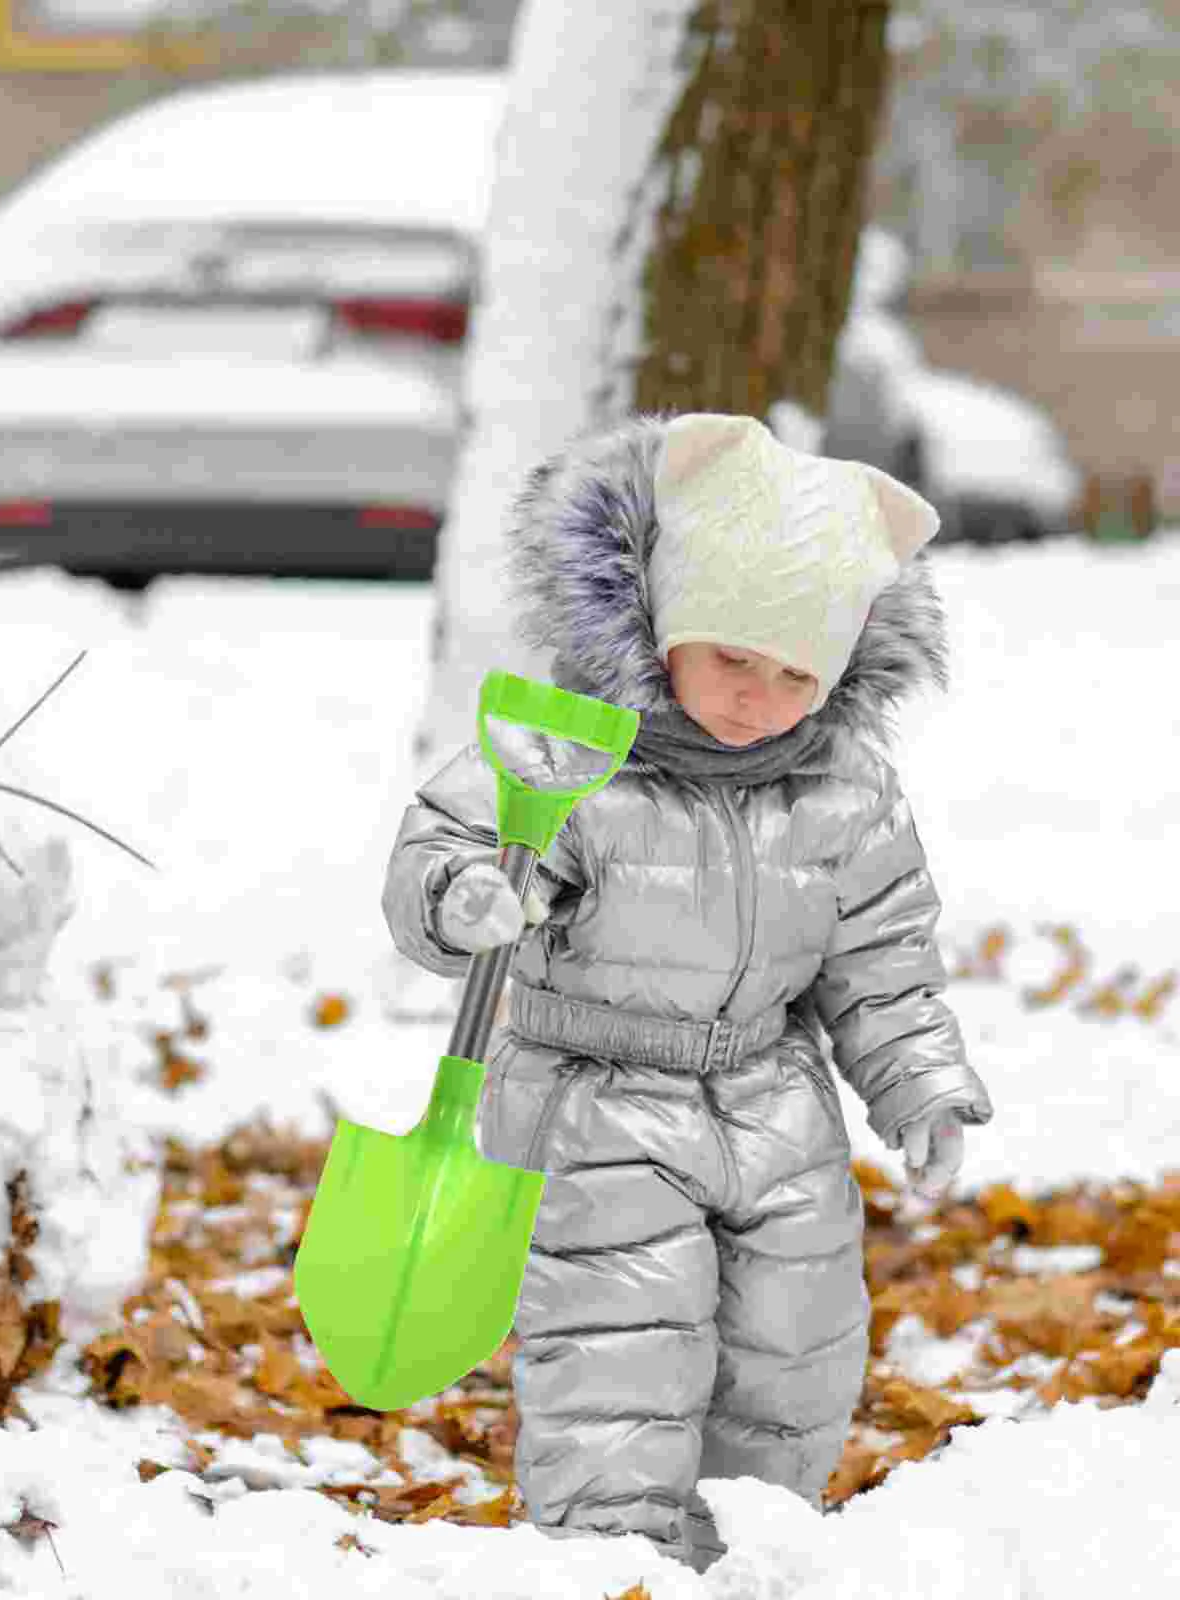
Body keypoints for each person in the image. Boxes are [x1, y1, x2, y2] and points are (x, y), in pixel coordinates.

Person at [381, 411, 994, 1573]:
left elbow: (883, 960)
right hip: (592, 1099)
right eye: (729, 656)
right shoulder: (567, 753)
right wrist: (464, 897)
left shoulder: (846, 789)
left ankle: (736, 1559)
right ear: (662, 619)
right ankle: (610, 1570)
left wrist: (922, 1088)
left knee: (795, 1353)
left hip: (775, 1100)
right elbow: (448, 844)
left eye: (792, 671)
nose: (757, 696)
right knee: (621, 1356)